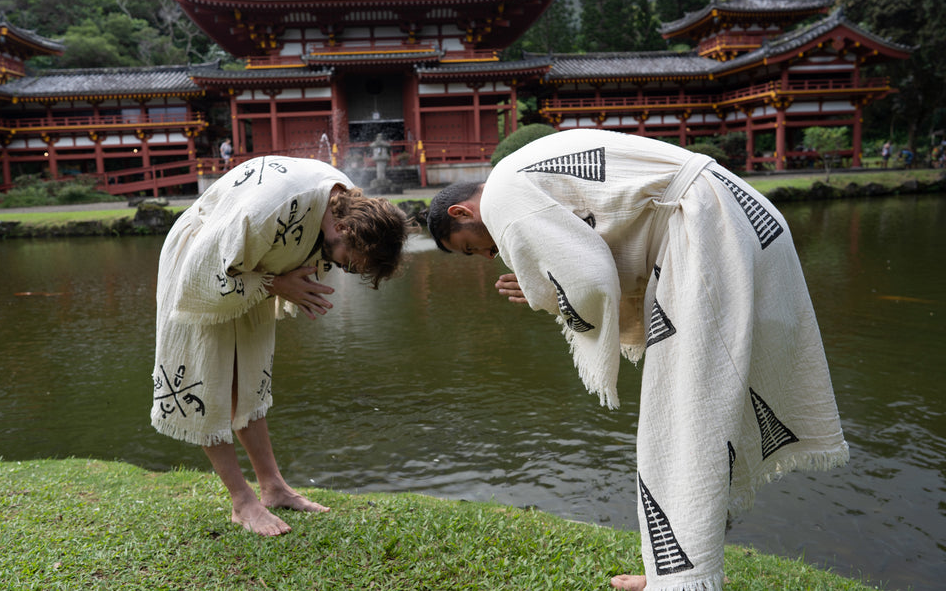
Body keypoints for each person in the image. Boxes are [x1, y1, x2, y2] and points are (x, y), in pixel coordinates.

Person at [427, 129, 849, 591]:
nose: (489, 255)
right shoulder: (517, 175)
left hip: (705, 228)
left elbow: (587, 278)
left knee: (682, 418)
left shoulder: (502, 197)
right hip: (731, 216)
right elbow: (598, 241)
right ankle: (679, 571)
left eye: (473, 246)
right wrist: (546, 287)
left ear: (461, 212)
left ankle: (682, 580)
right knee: (706, 410)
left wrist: (544, 295)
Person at [152, 154, 410, 537]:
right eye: (348, 263)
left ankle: (273, 487)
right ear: (341, 227)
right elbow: (201, 274)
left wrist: (277, 281)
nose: (344, 270)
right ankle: (243, 503)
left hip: (255, 269)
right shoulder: (268, 209)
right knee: (207, 381)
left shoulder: (342, 196)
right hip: (204, 267)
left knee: (248, 376)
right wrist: (276, 285)